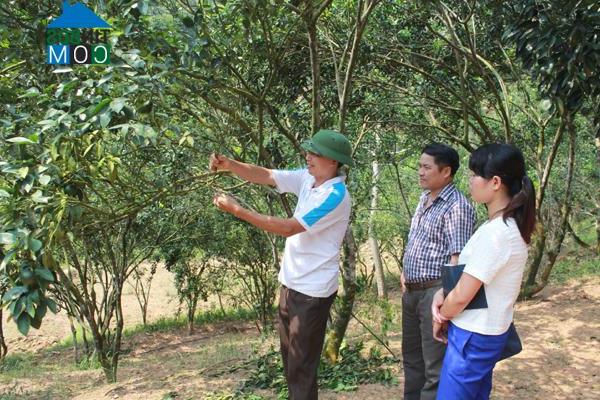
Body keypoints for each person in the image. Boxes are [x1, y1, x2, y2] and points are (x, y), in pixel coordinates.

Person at [210, 129, 354, 400]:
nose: (308, 157)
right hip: (291, 284)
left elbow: (289, 228)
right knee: (291, 363)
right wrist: (230, 165)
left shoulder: (335, 196)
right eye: (309, 151)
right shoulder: (308, 178)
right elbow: (266, 175)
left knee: (301, 368)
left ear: (333, 161)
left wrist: (237, 210)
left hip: (312, 292)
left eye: (316, 154)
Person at [431, 143, 536, 400]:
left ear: (495, 182)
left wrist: (441, 316)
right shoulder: (506, 227)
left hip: (471, 335)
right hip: (486, 333)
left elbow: (463, 296)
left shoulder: (497, 233)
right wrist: (442, 295)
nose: (470, 180)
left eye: (475, 174)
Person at [402, 143, 476, 400]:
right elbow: (416, 240)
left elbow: (458, 259)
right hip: (411, 291)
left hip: (435, 293)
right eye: (419, 166)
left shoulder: (457, 207)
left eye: (426, 167)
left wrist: (445, 300)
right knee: (412, 363)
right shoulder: (424, 199)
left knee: (434, 368)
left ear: (446, 172)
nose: (420, 172)